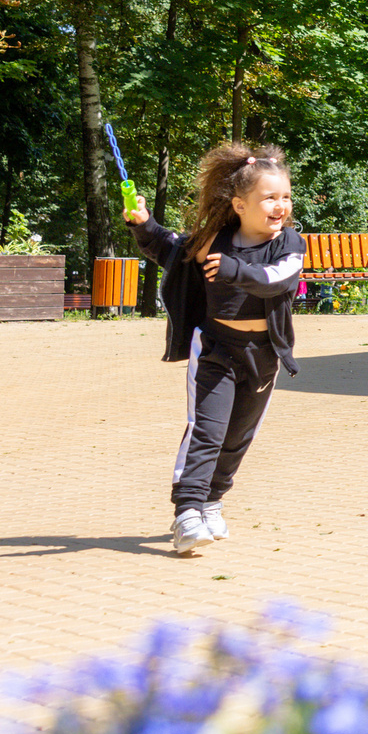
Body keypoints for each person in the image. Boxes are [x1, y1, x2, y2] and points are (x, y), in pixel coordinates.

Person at [127, 141, 306, 556]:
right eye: (269, 198)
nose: (280, 206)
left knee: (238, 436)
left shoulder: (289, 244)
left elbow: (276, 279)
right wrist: (142, 223)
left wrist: (233, 269)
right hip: (215, 350)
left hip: (262, 356)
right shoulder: (213, 239)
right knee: (206, 430)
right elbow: (168, 249)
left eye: (285, 197)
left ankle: (212, 500)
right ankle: (187, 511)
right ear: (240, 205)